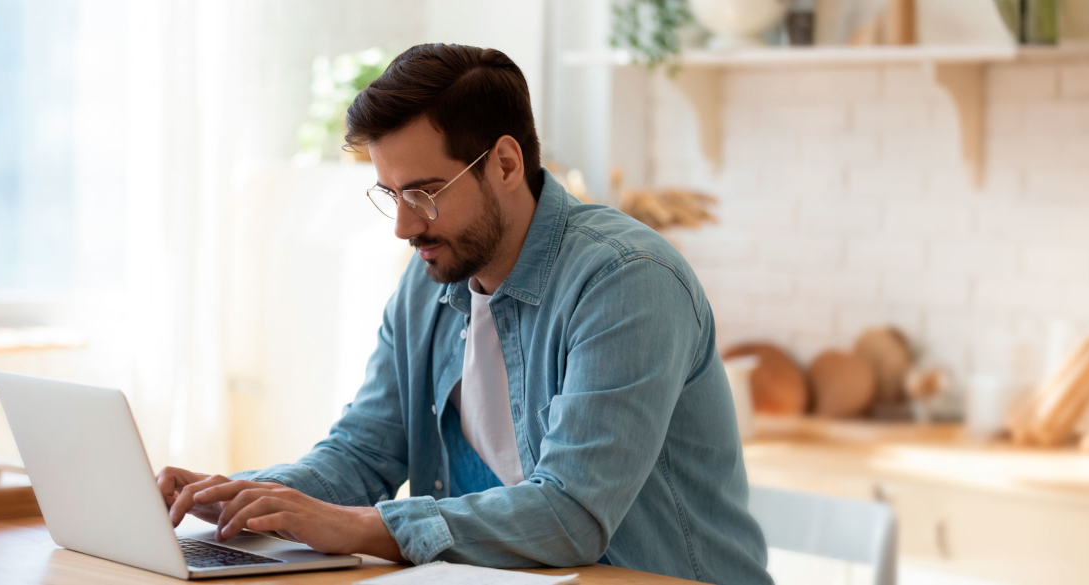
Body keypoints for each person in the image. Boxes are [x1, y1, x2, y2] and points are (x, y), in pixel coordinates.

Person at [158, 43, 770, 583]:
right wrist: (243, 498)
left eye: (424, 193)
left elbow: (572, 515)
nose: (404, 227)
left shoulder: (627, 280)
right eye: (392, 195)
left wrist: (358, 527)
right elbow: (364, 453)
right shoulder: (429, 280)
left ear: (505, 163)